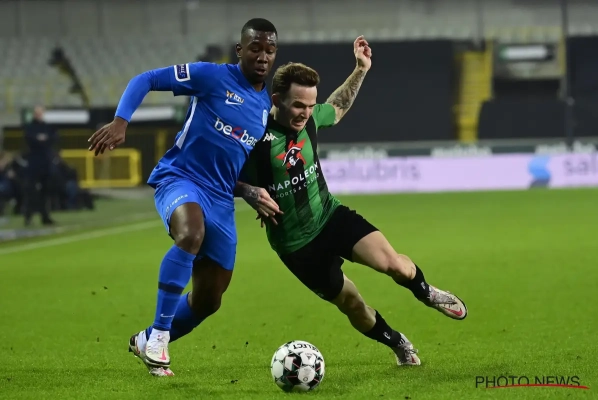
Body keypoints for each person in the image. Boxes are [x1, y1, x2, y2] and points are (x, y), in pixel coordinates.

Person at [235, 37, 468, 366]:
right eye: (298, 105)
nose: (306, 113)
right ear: (277, 100)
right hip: (296, 246)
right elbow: (218, 178)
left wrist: (361, 69)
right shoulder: (253, 137)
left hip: (331, 217)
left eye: (310, 105)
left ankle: (426, 292)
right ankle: (397, 343)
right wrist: (250, 192)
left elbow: (338, 106)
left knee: (395, 265)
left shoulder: (311, 118)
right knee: (353, 304)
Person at [87, 18, 282, 377]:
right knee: (191, 234)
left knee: (209, 299)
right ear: (240, 50)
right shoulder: (211, 76)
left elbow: (231, 168)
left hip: (221, 199)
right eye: (255, 48)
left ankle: (146, 339)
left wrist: (250, 192)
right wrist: (120, 121)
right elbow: (145, 79)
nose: (262, 56)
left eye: (269, 50)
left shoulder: (262, 109)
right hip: (180, 179)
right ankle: (160, 338)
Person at [23, 105, 57, 226]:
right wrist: (41, 140)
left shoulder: (47, 126)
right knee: (31, 191)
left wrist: (41, 140)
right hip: (34, 163)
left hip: (45, 163)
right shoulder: (30, 127)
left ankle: (45, 216)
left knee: (45, 191)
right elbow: (30, 139)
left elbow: (53, 138)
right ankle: (28, 216)